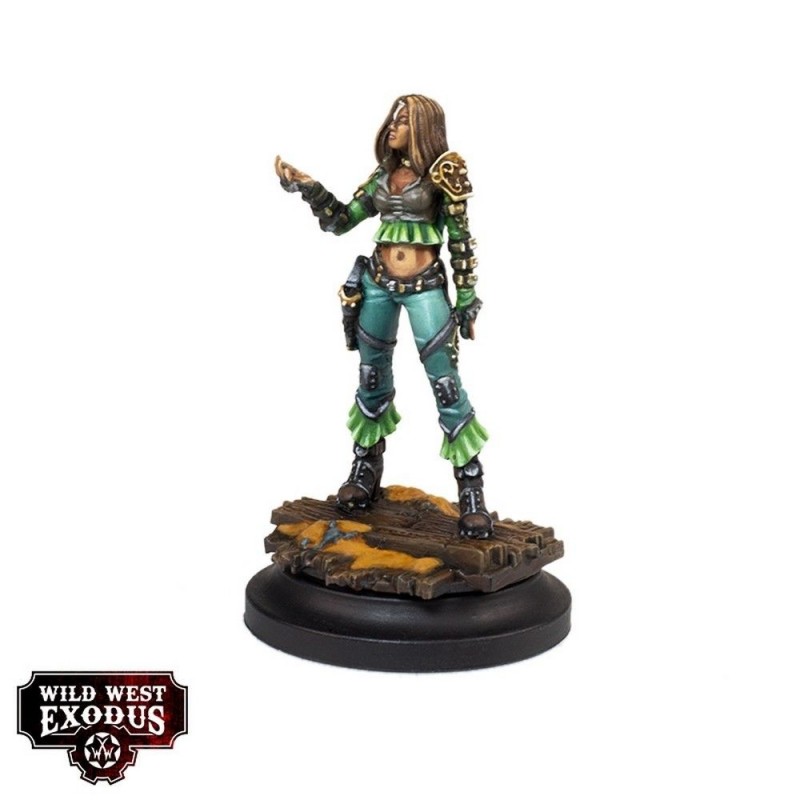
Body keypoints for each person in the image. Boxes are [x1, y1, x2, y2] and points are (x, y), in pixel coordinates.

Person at [275, 95, 492, 538]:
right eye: (394, 117)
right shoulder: (382, 176)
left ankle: (470, 488)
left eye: (404, 119)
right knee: (371, 375)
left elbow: (460, 239)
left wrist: (467, 297)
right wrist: (309, 188)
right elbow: (341, 220)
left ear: (424, 127)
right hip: (376, 282)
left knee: (445, 381)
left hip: (425, 285)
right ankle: (365, 469)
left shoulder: (444, 173)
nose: (393, 125)